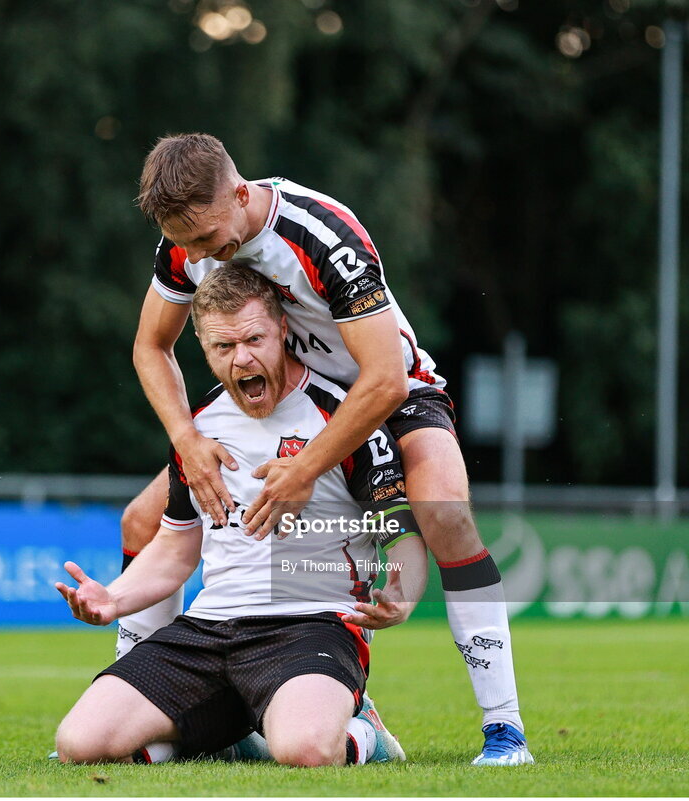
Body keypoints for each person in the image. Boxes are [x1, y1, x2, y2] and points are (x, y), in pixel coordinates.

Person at [119, 132, 533, 766]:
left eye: (205, 238)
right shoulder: (184, 246)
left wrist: (306, 468)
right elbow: (151, 346)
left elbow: (386, 377)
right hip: (280, 391)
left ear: (239, 193)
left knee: (444, 510)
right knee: (144, 521)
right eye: (185, 243)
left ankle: (505, 731)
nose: (199, 255)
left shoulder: (322, 235)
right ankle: (150, 706)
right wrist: (187, 439)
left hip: (386, 392)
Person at [54, 266, 427, 766]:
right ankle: (233, 729)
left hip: (311, 626)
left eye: (254, 339)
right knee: (80, 744)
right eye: (223, 348)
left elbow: (401, 533)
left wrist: (401, 596)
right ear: (204, 352)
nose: (242, 359)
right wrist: (113, 598)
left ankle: (367, 736)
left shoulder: (344, 416)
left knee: (305, 751)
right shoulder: (198, 427)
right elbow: (175, 548)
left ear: (284, 331)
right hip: (208, 628)